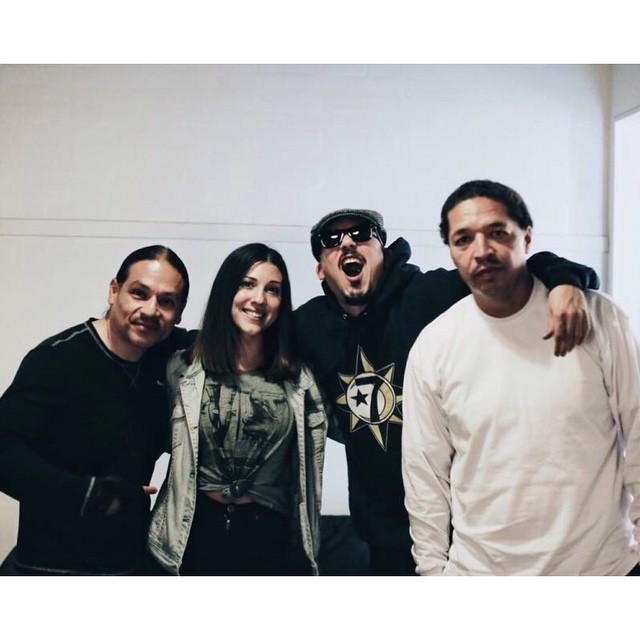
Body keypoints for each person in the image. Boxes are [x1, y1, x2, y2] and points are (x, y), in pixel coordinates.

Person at [295, 207, 600, 575]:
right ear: (320, 268)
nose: (347, 242)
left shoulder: (430, 295)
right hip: (384, 537)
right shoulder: (310, 325)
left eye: (361, 233)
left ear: (383, 251)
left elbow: (518, 271)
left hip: (467, 530)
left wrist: (565, 283)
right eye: (331, 240)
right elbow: (251, 346)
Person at [402, 179, 640, 575]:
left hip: (600, 569)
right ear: (451, 251)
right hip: (480, 575)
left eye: (497, 232)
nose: (482, 250)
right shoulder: (435, 345)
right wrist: (432, 574)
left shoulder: (600, 318)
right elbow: (424, 473)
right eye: (463, 239)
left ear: (526, 237)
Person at [0, 245, 191, 575]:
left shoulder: (165, 356)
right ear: (114, 291)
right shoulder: (57, 359)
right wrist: (90, 494)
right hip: (49, 568)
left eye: (166, 301)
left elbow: (223, 340)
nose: (150, 310)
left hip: (127, 564)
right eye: (139, 293)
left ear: (179, 312)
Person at [148, 243, 327, 576]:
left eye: (272, 290)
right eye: (247, 284)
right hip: (192, 534)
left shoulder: (300, 380)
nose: (259, 298)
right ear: (227, 291)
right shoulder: (182, 368)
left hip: (268, 537)